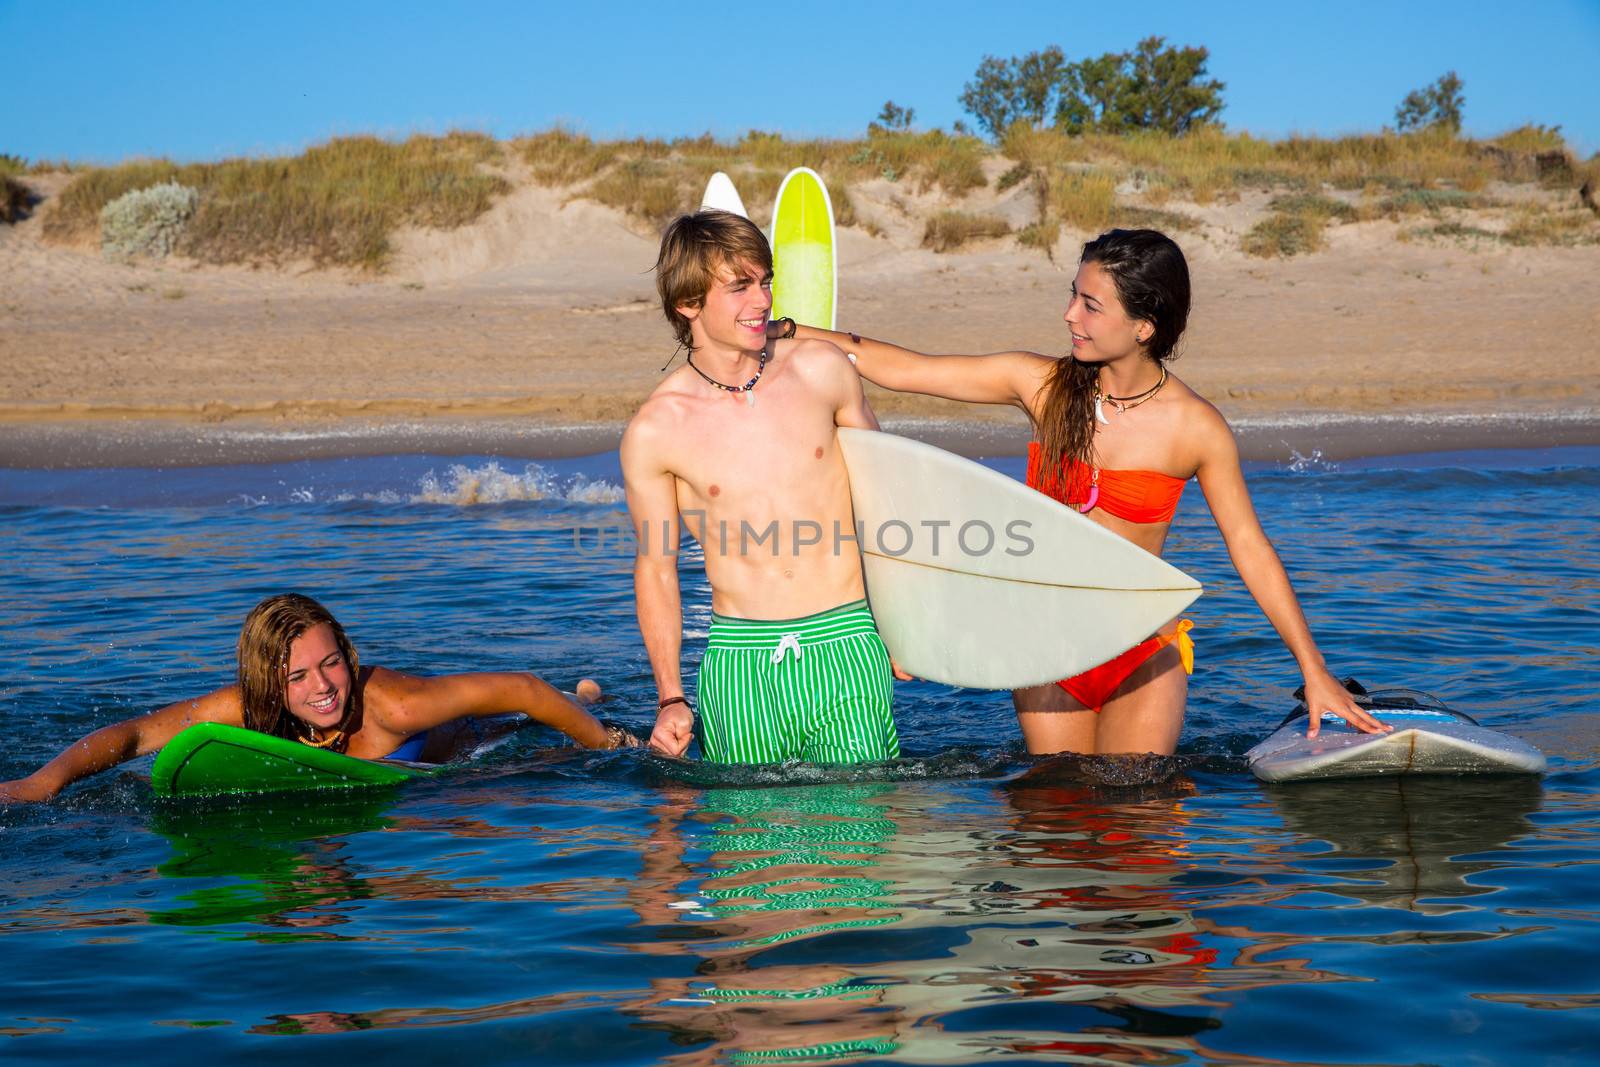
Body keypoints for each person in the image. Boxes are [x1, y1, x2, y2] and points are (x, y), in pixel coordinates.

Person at [774, 227, 1388, 755]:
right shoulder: (1044, 386)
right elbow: (904, 366)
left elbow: (1249, 546)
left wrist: (1314, 671)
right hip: (1045, 644)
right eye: (1074, 295)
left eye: (1091, 305)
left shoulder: (1194, 428)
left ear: (1144, 326)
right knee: (1060, 815)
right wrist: (787, 331)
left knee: (1135, 819)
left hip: (1140, 647)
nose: (1070, 314)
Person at [622, 209, 900, 764]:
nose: (763, 301)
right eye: (740, 286)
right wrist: (671, 697)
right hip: (740, 663)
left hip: (846, 639)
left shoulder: (822, 370)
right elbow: (656, 565)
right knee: (749, 844)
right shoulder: (657, 429)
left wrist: (904, 621)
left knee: (863, 834)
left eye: (766, 281)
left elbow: (887, 498)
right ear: (688, 303)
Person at [0, 592, 632, 803]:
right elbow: (135, 736)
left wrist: (606, 745)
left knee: (517, 742)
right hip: (351, 769)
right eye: (296, 676)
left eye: (330, 664)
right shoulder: (246, 709)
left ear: (349, 658)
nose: (322, 687)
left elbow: (521, 688)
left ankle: (591, 698)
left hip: (448, 747)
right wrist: (40, 784)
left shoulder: (395, 704)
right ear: (267, 683)